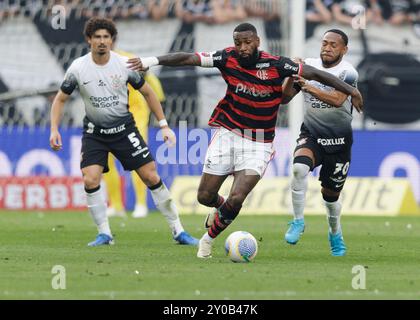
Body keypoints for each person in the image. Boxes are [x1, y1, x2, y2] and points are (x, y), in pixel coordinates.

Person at [127, 22, 363, 259]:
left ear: (257, 42)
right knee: (204, 197)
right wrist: (151, 61)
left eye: (247, 42)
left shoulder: (277, 64)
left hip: (259, 143)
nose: (242, 47)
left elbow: (315, 74)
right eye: (238, 42)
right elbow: (189, 58)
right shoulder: (226, 58)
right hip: (228, 134)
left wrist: (351, 91)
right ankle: (220, 209)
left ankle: (207, 240)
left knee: (237, 197)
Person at [49, 17, 198, 246]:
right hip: (94, 132)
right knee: (90, 179)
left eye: (106, 37)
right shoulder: (78, 68)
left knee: (150, 176)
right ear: (89, 40)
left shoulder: (124, 65)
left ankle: (178, 231)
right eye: (97, 37)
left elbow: (148, 93)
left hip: (124, 130)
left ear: (112, 40)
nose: (102, 41)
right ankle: (104, 234)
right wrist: (54, 129)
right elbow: (60, 99)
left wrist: (164, 125)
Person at [281, 29, 362, 256]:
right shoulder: (307, 65)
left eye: (333, 45)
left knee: (331, 196)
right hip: (312, 134)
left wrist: (308, 85)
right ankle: (297, 221)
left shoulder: (348, 72)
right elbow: (285, 98)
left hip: (339, 142)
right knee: (298, 168)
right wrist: (291, 74)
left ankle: (335, 232)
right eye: (324, 43)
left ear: (344, 50)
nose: (327, 47)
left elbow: (337, 100)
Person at [104, 48, 166, 219]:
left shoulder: (128, 59)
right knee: (106, 158)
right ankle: (116, 205)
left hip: (135, 112)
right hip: (111, 113)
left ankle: (141, 204)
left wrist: (158, 105)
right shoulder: (91, 64)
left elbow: (150, 81)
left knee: (137, 156)